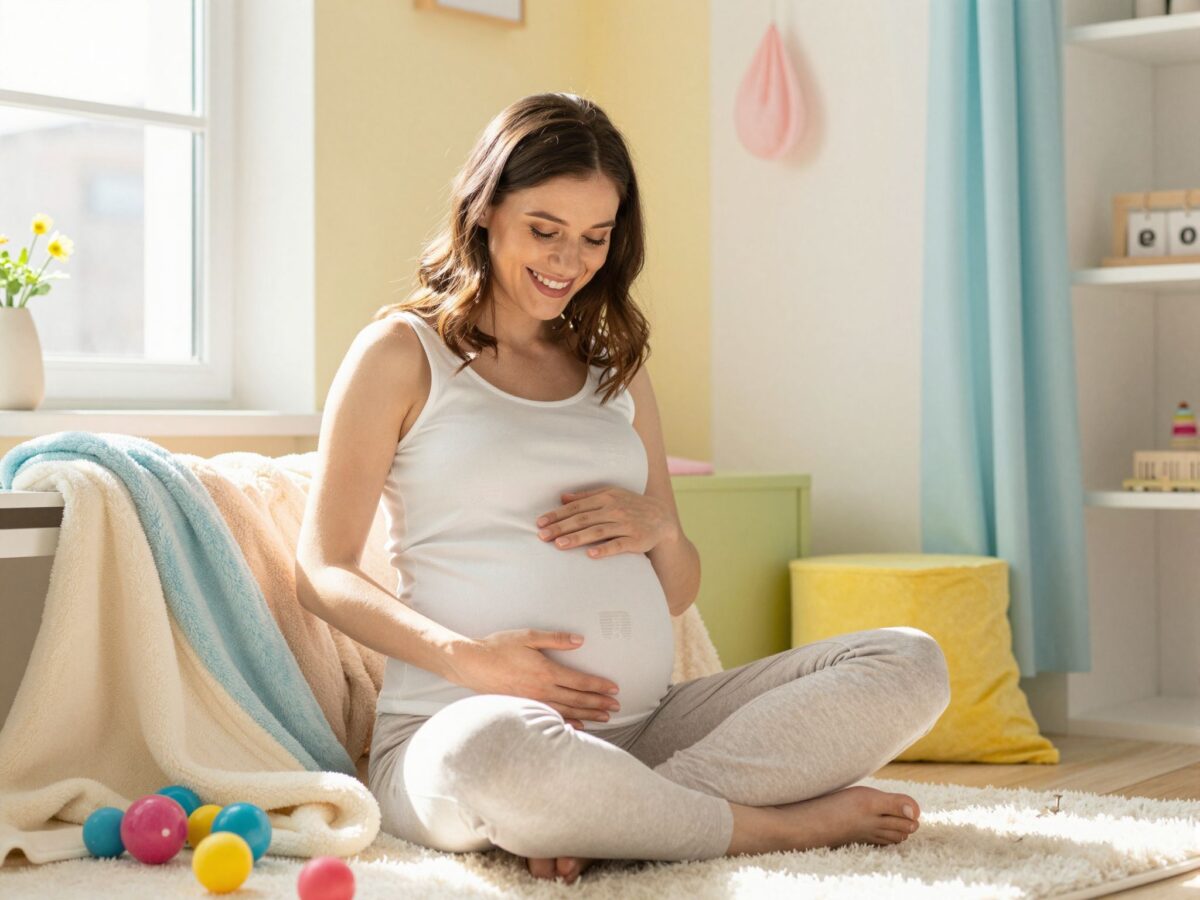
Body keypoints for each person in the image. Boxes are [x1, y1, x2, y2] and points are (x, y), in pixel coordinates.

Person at [295, 92, 951, 885]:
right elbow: (321, 569)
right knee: (495, 757)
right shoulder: (402, 353)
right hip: (462, 726)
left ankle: (616, 816)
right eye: (545, 230)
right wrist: (469, 660)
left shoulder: (619, 372)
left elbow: (677, 592)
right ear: (484, 210)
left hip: (651, 726)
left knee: (909, 663)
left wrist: (662, 534)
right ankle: (766, 827)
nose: (569, 262)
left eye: (595, 238)